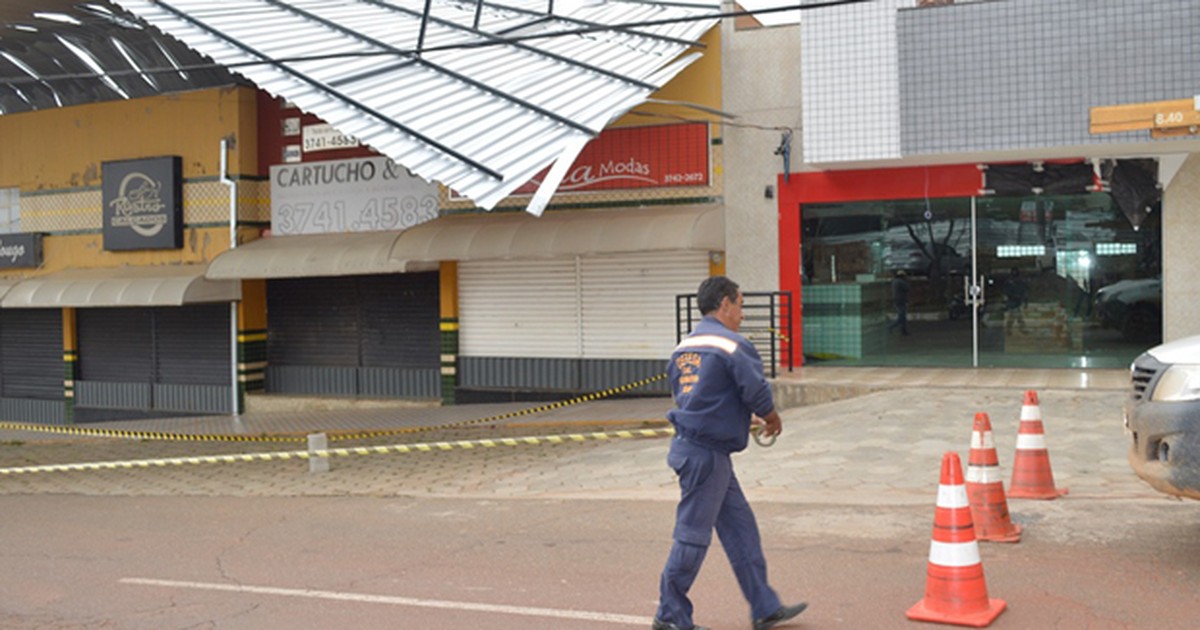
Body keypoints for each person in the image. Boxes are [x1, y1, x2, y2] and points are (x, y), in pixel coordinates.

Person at [653, 276, 807, 630]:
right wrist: (770, 417)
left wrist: (738, 416)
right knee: (692, 537)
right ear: (724, 304)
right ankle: (669, 616)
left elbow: (698, 398)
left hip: (702, 452)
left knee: (741, 530)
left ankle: (764, 606)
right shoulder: (733, 345)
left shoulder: (684, 347)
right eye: (739, 305)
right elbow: (756, 390)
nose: (741, 314)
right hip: (706, 456)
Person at [1003, 267, 1029, 334]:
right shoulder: (1010, 282)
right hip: (1013, 301)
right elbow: (1007, 292)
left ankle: (1011, 330)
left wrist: (1023, 299)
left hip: (1017, 301)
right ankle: (1020, 329)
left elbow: (1024, 291)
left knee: (1015, 316)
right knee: (1015, 316)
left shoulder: (1018, 282)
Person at [888, 270, 911, 335]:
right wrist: (907, 281)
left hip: (896, 300)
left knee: (902, 317)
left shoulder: (894, 281)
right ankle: (890, 327)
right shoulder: (901, 282)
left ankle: (904, 330)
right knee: (901, 317)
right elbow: (907, 288)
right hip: (901, 300)